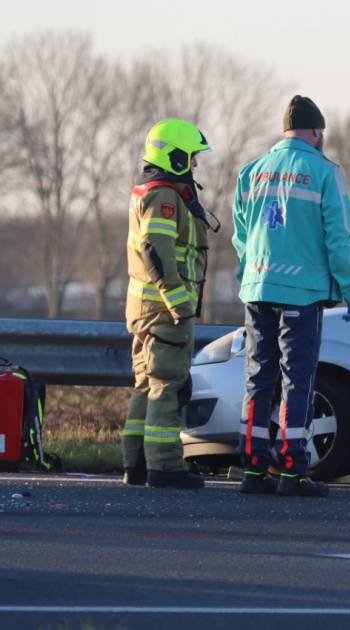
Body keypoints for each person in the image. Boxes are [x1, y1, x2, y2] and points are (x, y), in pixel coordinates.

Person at [231, 95, 350, 497]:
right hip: (301, 293)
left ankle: (253, 470)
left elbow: (240, 236)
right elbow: (338, 238)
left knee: (258, 377)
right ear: (317, 131)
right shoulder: (324, 172)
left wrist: (252, 274)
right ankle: (291, 471)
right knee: (297, 379)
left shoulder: (252, 171)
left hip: (257, 288)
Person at [122, 118, 215, 489]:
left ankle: (136, 465)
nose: (195, 165)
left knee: (147, 385)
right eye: (191, 158)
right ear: (174, 156)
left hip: (144, 308)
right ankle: (164, 467)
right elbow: (155, 252)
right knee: (168, 385)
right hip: (165, 309)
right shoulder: (164, 197)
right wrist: (179, 305)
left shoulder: (152, 191)